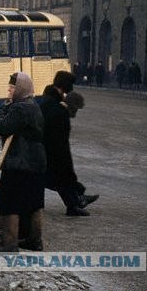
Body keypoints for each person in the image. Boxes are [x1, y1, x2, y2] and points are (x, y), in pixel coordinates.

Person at [0, 72, 46, 254]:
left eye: (12, 88)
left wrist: (2, 108)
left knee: (8, 201)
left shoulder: (19, 108)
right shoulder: (33, 105)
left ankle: (9, 242)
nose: (9, 90)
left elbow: (2, 126)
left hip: (19, 163)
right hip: (36, 163)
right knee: (33, 202)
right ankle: (34, 240)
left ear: (20, 89)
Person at [40, 71, 97, 218]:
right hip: (54, 150)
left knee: (58, 179)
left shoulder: (48, 100)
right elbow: (59, 137)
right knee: (61, 178)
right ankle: (75, 203)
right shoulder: (57, 108)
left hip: (47, 148)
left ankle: (77, 199)